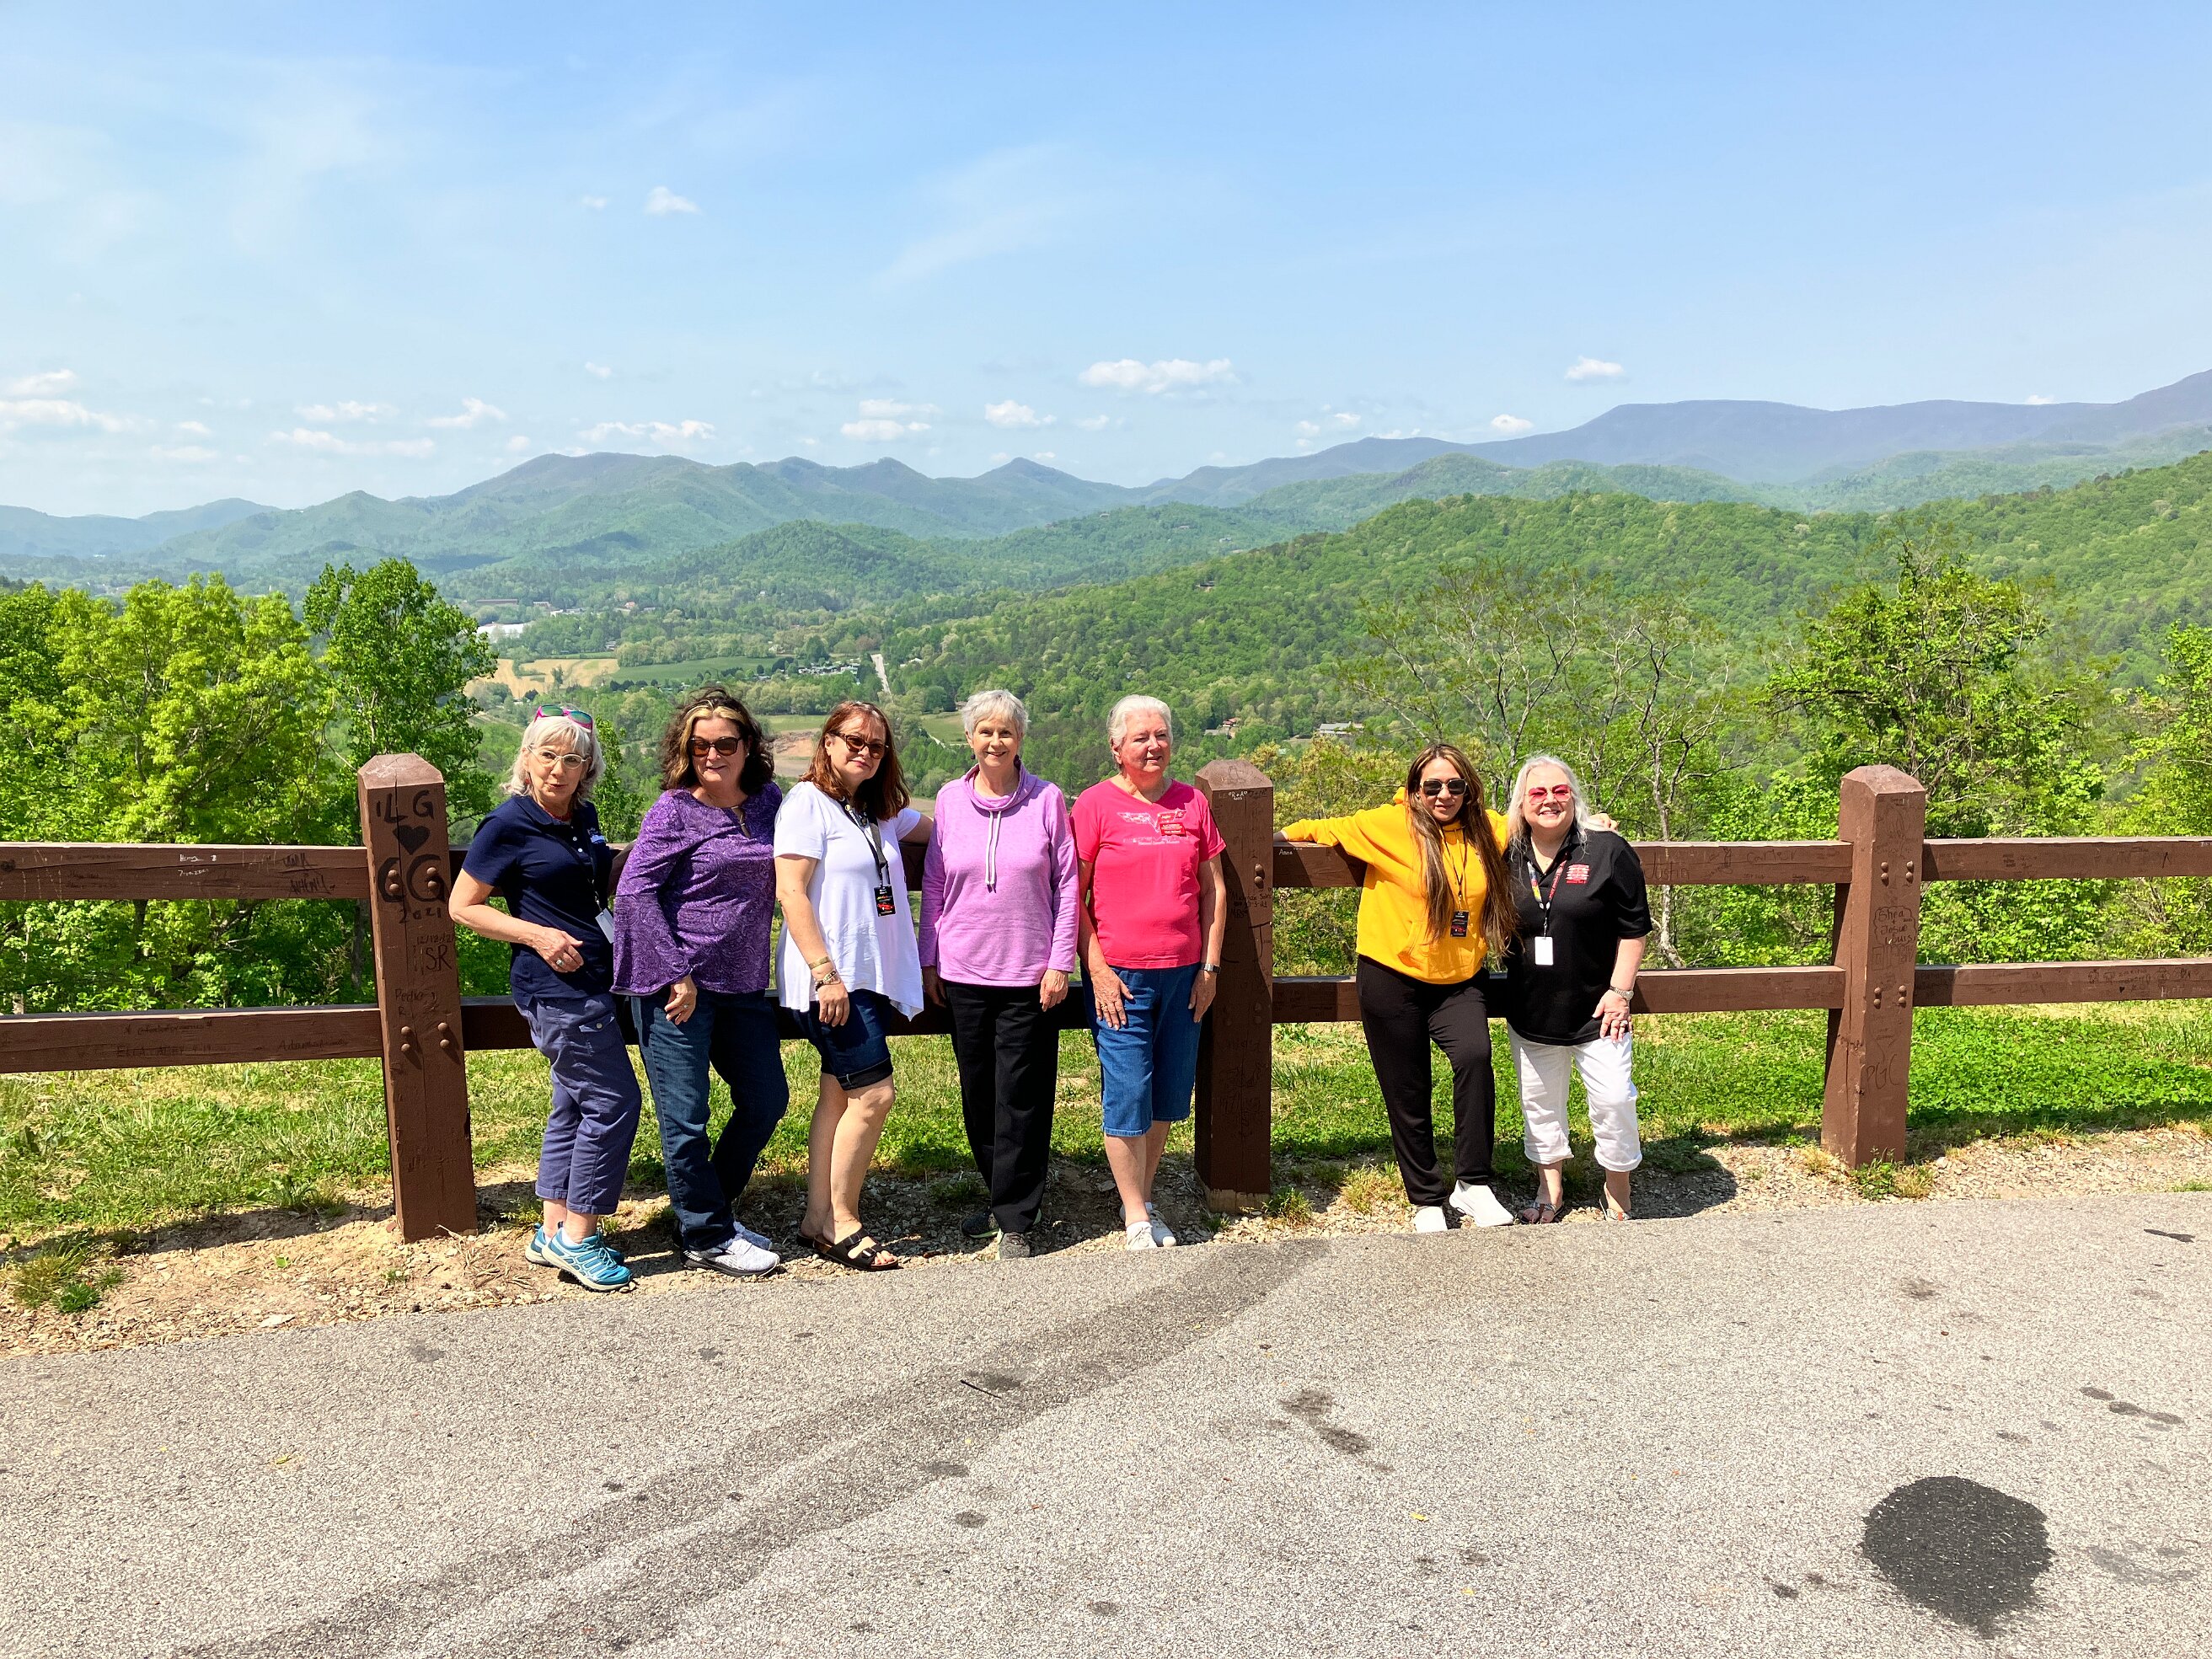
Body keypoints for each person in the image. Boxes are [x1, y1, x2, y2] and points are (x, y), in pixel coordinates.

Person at [1280, 742, 1521, 1234]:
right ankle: (1426, 1197)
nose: (1444, 795)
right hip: (1392, 975)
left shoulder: (1488, 828)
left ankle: (1473, 1183)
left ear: (1469, 789)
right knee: (1407, 1086)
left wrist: (1592, 826)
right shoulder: (1388, 825)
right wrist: (1248, 845)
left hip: (1459, 979)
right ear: (1414, 790)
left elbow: (1540, 823)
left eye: (1455, 785)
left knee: (1475, 1059)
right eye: (1432, 786)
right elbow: (1318, 828)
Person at [450, 706, 638, 1292]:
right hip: (555, 988)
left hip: (595, 979)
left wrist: (652, 848)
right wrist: (538, 935)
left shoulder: (584, 816)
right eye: (547, 755)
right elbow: (462, 906)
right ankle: (580, 1239)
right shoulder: (507, 823)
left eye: (572, 758)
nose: (558, 768)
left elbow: (592, 879)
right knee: (613, 1102)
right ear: (526, 758)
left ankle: (553, 1228)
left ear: (588, 767)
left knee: (574, 1104)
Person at [612, 687, 785, 1278]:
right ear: (685, 750)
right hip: (677, 989)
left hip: (743, 985)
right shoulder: (673, 810)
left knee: (766, 1100)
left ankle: (709, 1210)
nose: (713, 754)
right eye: (700, 744)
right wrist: (674, 973)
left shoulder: (768, 802)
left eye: (726, 743)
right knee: (685, 1118)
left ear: (748, 746)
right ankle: (707, 1235)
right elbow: (633, 892)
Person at [920, 689, 1079, 1260]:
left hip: (1028, 975)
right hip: (963, 971)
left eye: (1005, 732)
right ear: (969, 738)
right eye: (985, 731)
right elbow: (934, 883)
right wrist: (929, 958)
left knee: (1022, 1097)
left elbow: (1068, 884)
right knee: (979, 1093)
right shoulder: (949, 799)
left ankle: (1017, 1219)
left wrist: (1060, 961)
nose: (995, 741)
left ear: (1020, 739)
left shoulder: (1047, 799)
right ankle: (998, 1197)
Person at [774, 700, 931, 1271]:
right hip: (832, 981)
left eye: (876, 745)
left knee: (838, 1095)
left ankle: (816, 1218)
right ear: (829, 741)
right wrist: (825, 973)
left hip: (866, 977)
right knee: (875, 1095)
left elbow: (946, 826)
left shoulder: (877, 810)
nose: (865, 751)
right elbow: (790, 891)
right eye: (854, 740)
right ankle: (843, 1220)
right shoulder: (806, 803)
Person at [1073, 694, 1228, 1252]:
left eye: (1161, 735)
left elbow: (1214, 890)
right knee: (1127, 1091)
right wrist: (1096, 968)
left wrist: (1210, 967)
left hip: (1184, 974)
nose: (1153, 745)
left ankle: (1139, 1195)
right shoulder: (1094, 805)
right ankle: (1138, 1217)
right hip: (1121, 976)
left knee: (1166, 1093)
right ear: (1116, 747)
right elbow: (1073, 895)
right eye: (1140, 737)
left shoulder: (1192, 803)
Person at [1501, 755, 1651, 1223]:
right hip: (1532, 1008)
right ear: (1521, 803)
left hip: (1600, 1009)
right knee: (1540, 1104)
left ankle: (1618, 1188)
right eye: (1538, 792)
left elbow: (1634, 928)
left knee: (1614, 1099)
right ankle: (1550, 1190)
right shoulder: (1505, 853)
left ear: (1574, 797)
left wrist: (1620, 992)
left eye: (1560, 791)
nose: (1549, 800)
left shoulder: (1606, 849)